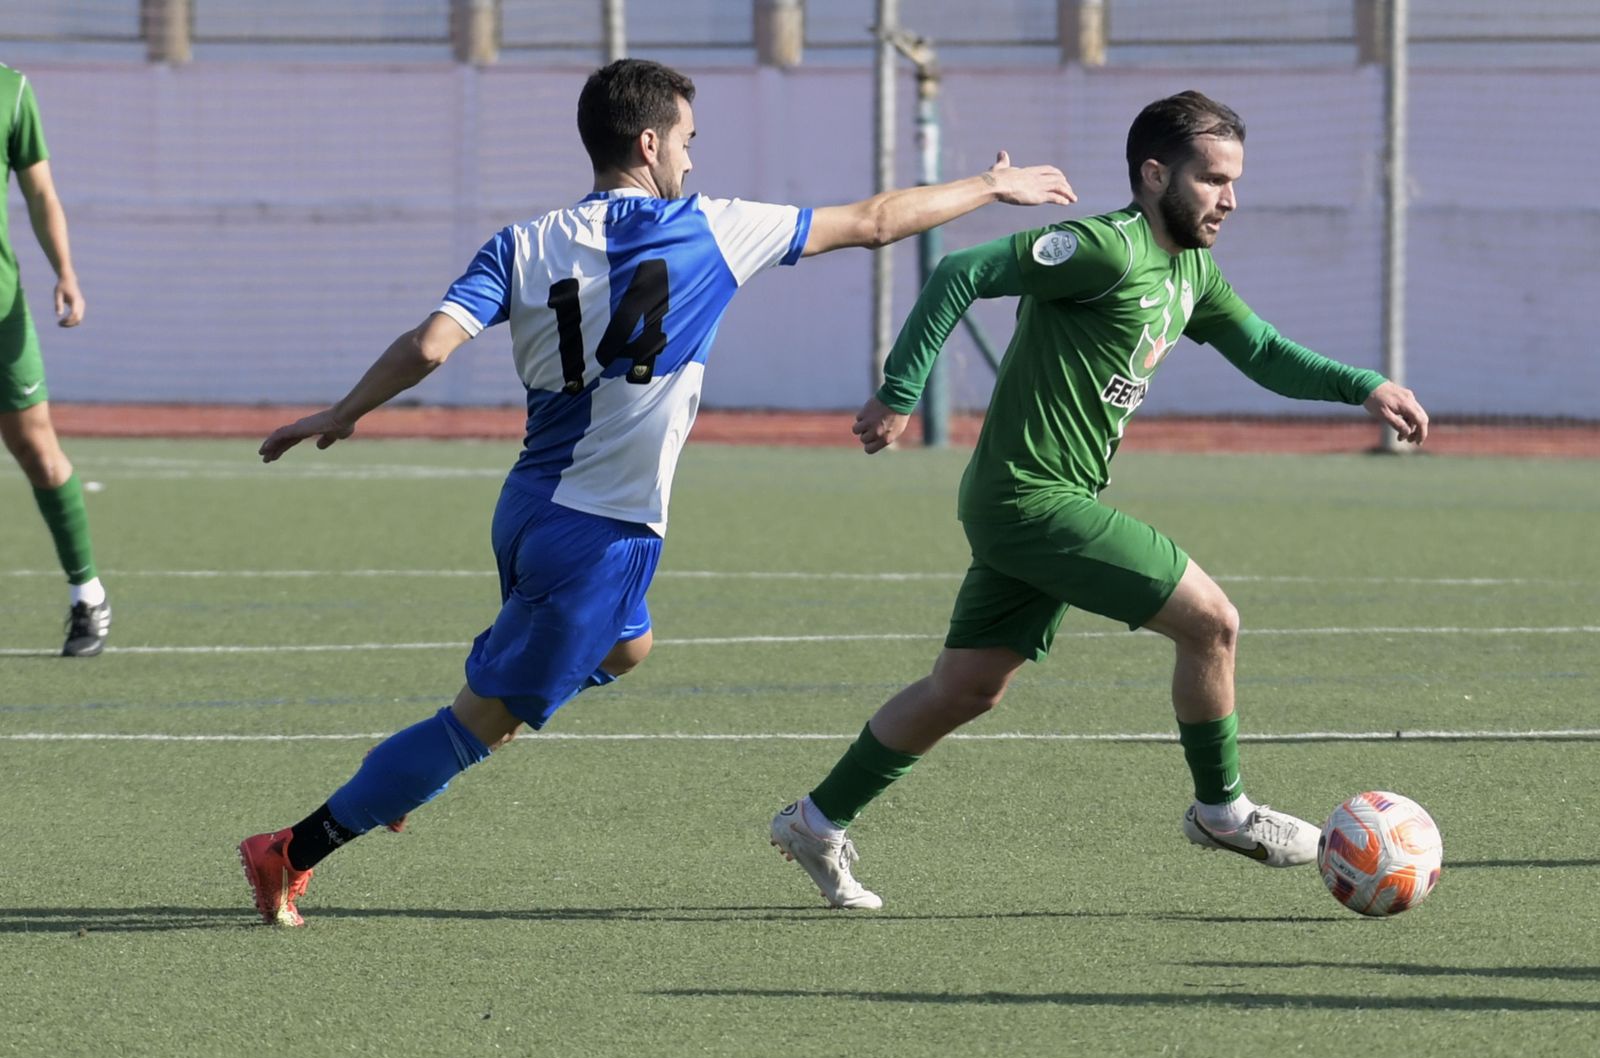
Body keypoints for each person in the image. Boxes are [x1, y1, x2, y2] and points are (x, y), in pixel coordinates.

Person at [237, 58, 1074, 927]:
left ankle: (435, 747)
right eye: (686, 140)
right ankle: (292, 850)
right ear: (648, 142)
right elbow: (872, 222)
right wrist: (990, 183)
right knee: (473, 728)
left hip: (533, 509)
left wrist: (344, 412)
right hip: (596, 536)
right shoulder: (710, 229)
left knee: (629, 649)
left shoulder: (521, 243)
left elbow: (430, 345)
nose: (690, 159)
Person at [769, 90, 1429, 910]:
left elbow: (1260, 351)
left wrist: (1362, 385)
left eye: (1234, 181)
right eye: (1212, 180)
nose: (1230, 199)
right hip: (1028, 498)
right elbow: (959, 271)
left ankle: (815, 819)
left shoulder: (1190, 267)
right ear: (1154, 175)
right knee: (1213, 622)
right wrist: (900, 390)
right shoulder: (1103, 249)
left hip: (1048, 501)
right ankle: (1221, 811)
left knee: (967, 688)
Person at [0, 64, 109, 657]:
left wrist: (65, 271)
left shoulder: (11, 91)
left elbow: (41, 192)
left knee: (38, 453)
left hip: (1, 309)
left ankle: (86, 594)